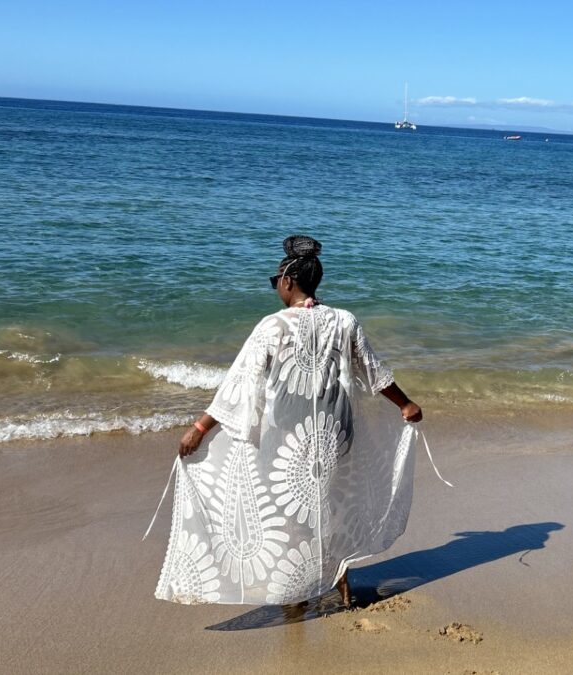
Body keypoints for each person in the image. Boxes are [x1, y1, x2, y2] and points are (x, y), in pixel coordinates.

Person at [152, 235, 424, 608]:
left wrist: (200, 429)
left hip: (286, 439)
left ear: (288, 281)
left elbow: (237, 386)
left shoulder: (272, 327)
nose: (275, 288)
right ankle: (341, 587)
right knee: (331, 508)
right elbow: (374, 372)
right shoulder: (344, 321)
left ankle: (296, 592)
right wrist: (405, 404)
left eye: (275, 281)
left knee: (290, 513)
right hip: (335, 433)